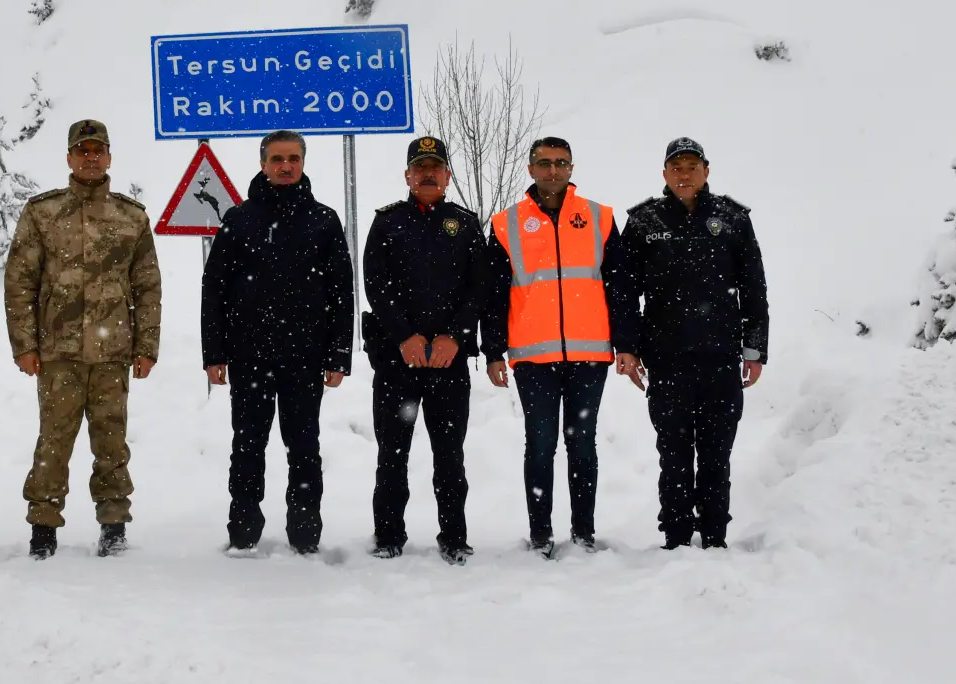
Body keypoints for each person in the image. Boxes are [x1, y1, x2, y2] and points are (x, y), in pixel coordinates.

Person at [4, 119, 163, 560]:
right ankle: (44, 525)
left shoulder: (132, 217)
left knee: (111, 439)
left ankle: (113, 524)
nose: (90, 157)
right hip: (59, 351)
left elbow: (147, 285)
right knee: (54, 440)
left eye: (98, 150)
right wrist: (25, 345)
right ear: (69, 158)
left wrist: (146, 345)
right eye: (82, 150)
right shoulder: (42, 213)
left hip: (113, 353)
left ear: (109, 157)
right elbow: (19, 282)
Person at [201, 129, 353, 556]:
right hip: (249, 356)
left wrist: (339, 353)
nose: (285, 166)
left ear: (303, 163)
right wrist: (214, 353)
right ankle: (244, 529)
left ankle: (305, 531)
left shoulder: (323, 220)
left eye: (293, 158)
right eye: (277, 159)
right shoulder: (240, 219)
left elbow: (342, 291)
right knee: (247, 445)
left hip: (304, 357)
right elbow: (214, 287)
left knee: (304, 445)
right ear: (263, 163)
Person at [482, 136, 636, 558]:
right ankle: (540, 535)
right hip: (533, 358)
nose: (553, 170)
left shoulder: (599, 218)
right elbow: (493, 295)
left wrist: (626, 343)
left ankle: (583, 533)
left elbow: (620, 286)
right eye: (545, 163)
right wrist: (493, 350)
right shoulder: (506, 223)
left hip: (590, 355)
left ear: (572, 168)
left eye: (561, 163)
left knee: (581, 443)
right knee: (541, 444)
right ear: (530, 169)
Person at [617, 137, 768, 550]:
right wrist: (627, 347)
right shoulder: (644, 221)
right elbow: (624, 292)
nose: (684, 175)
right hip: (666, 358)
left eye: (691, 167)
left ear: (706, 171)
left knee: (716, 456)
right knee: (675, 455)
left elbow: (754, 287)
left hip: (720, 357)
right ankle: (678, 537)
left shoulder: (732, 219)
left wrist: (754, 349)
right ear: (665, 173)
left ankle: (715, 534)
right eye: (676, 167)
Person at [362, 136, 489, 565]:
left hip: (448, 362)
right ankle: (388, 534)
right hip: (400, 360)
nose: (428, 174)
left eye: (436, 167)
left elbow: (478, 288)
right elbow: (375, 284)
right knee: (392, 453)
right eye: (421, 168)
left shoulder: (466, 224)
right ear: (408, 176)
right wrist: (404, 336)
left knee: (450, 455)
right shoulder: (387, 222)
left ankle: (454, 537)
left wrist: (454, 335)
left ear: (447, 175)